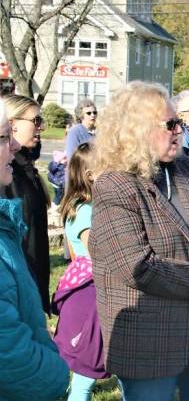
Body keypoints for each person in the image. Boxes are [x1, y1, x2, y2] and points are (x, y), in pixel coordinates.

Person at [89, 81, 189, 400]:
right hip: (149, 338)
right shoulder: (114, 186)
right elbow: (137, 266)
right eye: (170, 124)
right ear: (137, 129)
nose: (178, 131)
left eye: (179, 123)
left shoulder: (188, 170)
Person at [0, 98, 70, 401]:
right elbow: (8, 351)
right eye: (4, 137)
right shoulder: (11, 176)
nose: (13, 146)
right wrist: (55, 372)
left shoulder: (23, 169)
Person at [52, 143, 109, 401]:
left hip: (90, 289)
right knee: (86, 370)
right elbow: (97, 251)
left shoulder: (88, 205)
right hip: (89, 295)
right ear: (89, 174)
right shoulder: (85, 210)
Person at [3, 94, 51, 313]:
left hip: (31, 287)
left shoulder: (26, 170)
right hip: (17, 293)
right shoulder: (8, 175)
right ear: (12, 125)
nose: (41, 128)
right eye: (36, 121)